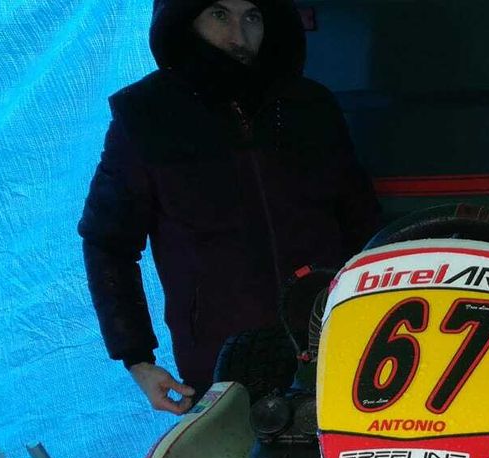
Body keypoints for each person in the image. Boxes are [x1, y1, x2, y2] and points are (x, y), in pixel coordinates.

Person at [79, 0, 381, 413]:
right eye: (219, 15)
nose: (239, 36)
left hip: (336, 340)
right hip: (221, 360)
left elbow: (363, 224)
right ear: (186, 22)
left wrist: (379, 316)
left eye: (252, 16)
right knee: (238, 455)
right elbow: (107, 242)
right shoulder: (146, 115)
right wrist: (137, 358)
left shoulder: (311, 105)